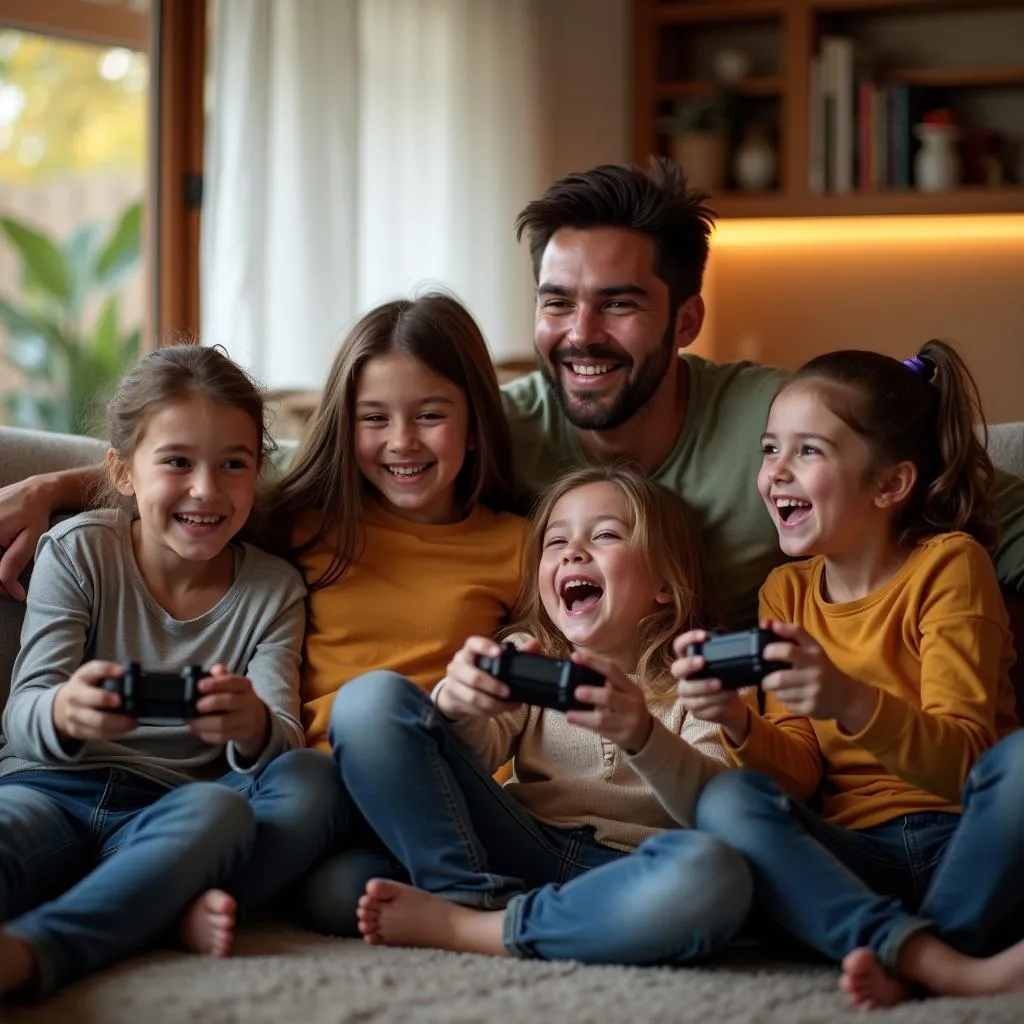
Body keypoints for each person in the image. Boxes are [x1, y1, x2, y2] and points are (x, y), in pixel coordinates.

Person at [5, 161, 1024, 624]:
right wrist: (66, 489)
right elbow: (256, 476)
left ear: (684, 321)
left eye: (618, 305)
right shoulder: (492, 431)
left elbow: (963, 472)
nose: (578, 335)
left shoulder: (772, 421)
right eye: (555, 302)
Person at [674, 341, 1024, 1008]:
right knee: (726, 800)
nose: (776, 472)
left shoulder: (949, 566)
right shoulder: (786, 592)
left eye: (808, 452)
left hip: (968, 842)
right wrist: (736, 720)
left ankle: (908, 951)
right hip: (854, 863)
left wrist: (851, 700)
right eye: (769, 449)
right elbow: (799, 775)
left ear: (891, 484)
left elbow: (970, 763)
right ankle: (930, 959)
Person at [0, 346, 347, 1001]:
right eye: (177, 462)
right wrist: (63, 712)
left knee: (288, 787)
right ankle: (151, 909)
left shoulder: (273, 591)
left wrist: (250, 728)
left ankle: (39, 951)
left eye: (233, 465)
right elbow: (21, 718)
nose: (206, 490)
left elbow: (280, 736)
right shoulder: (80, 551)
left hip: (171, 813)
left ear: (258, 472)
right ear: (123, 472)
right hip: (48, 791)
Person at [331, 464, 752, 965]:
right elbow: (469, 764)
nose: (574, 551)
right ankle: (469, 898)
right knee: (367, 710)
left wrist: (643, 736)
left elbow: (718, 810)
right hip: (521, 846)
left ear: (665, 582)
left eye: (605, 535)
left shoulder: (705, 675)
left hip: (634, 868)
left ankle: (477, 928)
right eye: (556, 542)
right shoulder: (530, 657)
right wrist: (456, 708)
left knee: (715, 876)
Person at [259, 293, 526, 934]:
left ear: (474, 420)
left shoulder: (520, 544)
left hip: (433, 791)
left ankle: (470, 908)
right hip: (317, 792)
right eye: (373, 418)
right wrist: (59, 485)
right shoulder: (302, 524)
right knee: (337, 894)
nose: (401, 442)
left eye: (430, 415)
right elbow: (192, 485)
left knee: (374, 704)